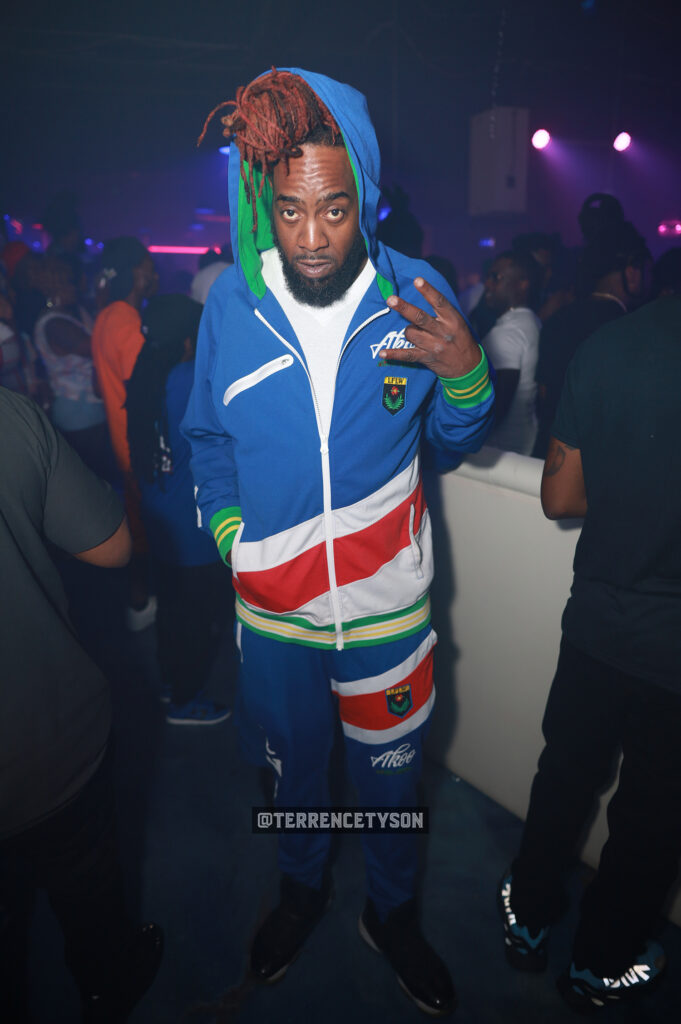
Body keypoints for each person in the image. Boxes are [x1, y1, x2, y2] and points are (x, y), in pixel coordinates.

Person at [183, 67, 495, 1016]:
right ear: (262, 206)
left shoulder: (417, 294)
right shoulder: (232, 307)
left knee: (390, 787)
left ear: (366, 196)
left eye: (334, 209)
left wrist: (467, 376)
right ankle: (301, 892)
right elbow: (206, 440)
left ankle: (391, 915)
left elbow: (453, 440)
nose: (312, 237)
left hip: (386, 608)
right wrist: (231, 537)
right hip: (274, 614)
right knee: (295, 779)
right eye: (289, 211)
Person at [498, 278, 681, 1012]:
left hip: (598, 627)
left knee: (564, 777)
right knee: (653, 816)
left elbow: (561, 497)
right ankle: (599, 966)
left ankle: (527, 921)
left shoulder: (609, 345)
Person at [0, 386, 163, 1022]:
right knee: (90, 897)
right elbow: (112, 545)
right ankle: (107, 987)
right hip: (49, 744)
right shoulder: (10, 414)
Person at [126, 294, 232, 724]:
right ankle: (187, 702)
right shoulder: (190, 379)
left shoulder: (147, 375)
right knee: (196, 621)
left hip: (160, 516)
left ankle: (173, 685)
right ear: (189, 341)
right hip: (193, 527)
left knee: (172, 613)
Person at [533, 194, 648, 459]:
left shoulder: (558, 318)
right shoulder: (632, 329)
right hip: (600, 465)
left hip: (549, 457)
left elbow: (543, 396)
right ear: (632, 271)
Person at [92, 236, 159, 628]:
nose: (154, 274)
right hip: (137, 446)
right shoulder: (125, 321)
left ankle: (139, 602)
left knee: (139, 523)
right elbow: (145, 391)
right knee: (146, 530)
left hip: (122, 441)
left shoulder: (106, 316)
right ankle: (141, 603)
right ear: (136, 272)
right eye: (150, 266)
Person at [32, 256, 115, 478]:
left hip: (87, 407)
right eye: (70, 283)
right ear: (56, 287)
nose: (75, 288)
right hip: (78, 412)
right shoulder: (54, 323)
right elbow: (96, 346)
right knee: (92, 478)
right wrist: (101, 305)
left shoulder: (68, 316)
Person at [480, 250, 541, 455]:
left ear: (522, 284)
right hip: (522, 444)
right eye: (488, 277)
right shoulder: (530, 321)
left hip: (501, 452)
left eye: (496, 277)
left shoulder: (508, 332)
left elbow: (498, 405)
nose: (487, 284)